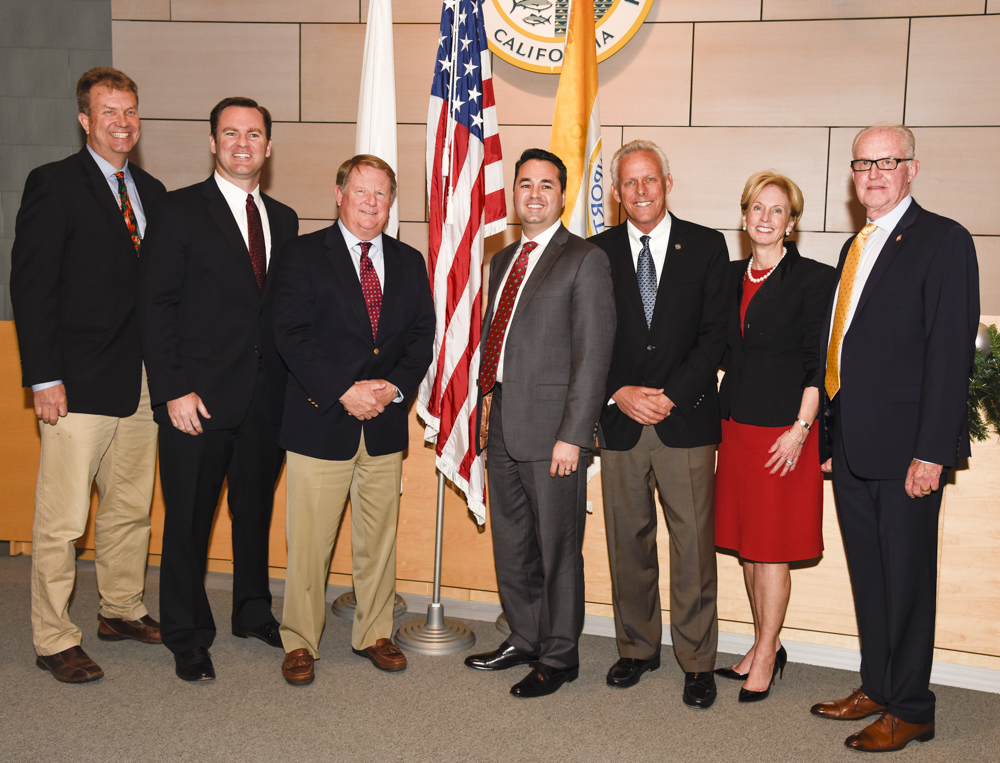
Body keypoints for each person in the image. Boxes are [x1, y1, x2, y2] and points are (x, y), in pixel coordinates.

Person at [811, 125, 979, 752]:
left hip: (910, 449)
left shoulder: (943, 240)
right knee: (871, 578)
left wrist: (933, 449)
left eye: (888, 161)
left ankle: (912, 707)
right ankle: (878, 686)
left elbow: (948, 354)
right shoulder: (857, 245)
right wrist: (830, 435)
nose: (874, 173)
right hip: (854, 447)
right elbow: (843, 351)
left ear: (912, 168)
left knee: (907, 580)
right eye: (863, 163)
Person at [10, 67, 167, 683]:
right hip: (74, 384)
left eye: (130, 111)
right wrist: (43, 375)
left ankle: (120, 609)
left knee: (129, 509)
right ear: (85, 119)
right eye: (109, 112)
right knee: (64, 519)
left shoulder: (151, 190)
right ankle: (53, 637)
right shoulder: (53, 184)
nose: (122, 122)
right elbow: (33, 285)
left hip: (142, 385)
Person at [138, 97, 299, 682]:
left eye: (253, 134)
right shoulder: (178, 210)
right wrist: (172, 391)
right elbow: (155, 307)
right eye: (230, 133)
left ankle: (252, 611)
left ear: (268, 147)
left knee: (253, 513)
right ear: (212, 142)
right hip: (196, 403)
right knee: (188, 520)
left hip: (264, 401)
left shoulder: (282, 218)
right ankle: (186, 633)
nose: (241, 144)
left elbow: (276, 311)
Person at [271, 155, 434, 686]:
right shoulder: (300, 255)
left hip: (383, 424)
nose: (370, 202)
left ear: (391, 202)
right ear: (338, 194)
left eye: (381, 193)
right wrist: (343, 390)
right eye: (360, 190)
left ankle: (374, 632)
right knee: (311, 542)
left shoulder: (410, 262)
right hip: (321, 420)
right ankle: (299, 640)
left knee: (378, 539)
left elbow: (420, 340)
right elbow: (290, 334)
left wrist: (392, 389)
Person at [464, 148, 615, 698]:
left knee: (557, 547)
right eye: (524, 184)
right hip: (501, 423)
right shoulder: (503, 260)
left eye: (545, 185)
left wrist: (574, 435)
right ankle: (524, 637)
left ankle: (560, 655)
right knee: (512, 543)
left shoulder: (584, 259)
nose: (534, 194)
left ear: (562, 194)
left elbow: (593, 356)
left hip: (555, 434)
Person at [588, 139, 728, 708]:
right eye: (629, 183)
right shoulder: (594, 253)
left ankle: (697, 661)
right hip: (619, 421)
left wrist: (669, 395)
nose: (641, 191)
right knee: (628, 544)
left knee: (693, 546)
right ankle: (637, 648)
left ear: (668, 183)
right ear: (617, 193)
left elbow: (715, 334)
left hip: (686, 419)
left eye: (650, 180)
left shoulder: (707, 245)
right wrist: (617, 392)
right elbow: (588, 339)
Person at [712, 171, 836, 702]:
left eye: (777, 210)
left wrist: (801, 430)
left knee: (772, 552)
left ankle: (766, 652)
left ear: (792, 223)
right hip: (736, 430)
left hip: (784, 435)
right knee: (746, 548)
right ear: (744, 218)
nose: (765, 218)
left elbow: (819, 364)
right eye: (756, 208)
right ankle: (765, 643)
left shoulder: (812, 279)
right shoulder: (729, 276)